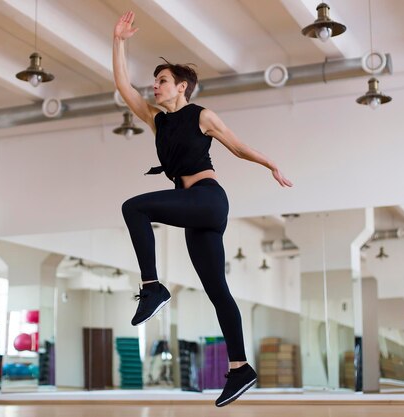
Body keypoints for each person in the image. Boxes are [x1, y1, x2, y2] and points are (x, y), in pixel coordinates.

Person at [113, 11, 292, 407]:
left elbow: (239, 146)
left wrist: (271, 165)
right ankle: (241, 367)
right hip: (197, 213)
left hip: (208, 199)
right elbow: (123, 86)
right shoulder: (157, 121)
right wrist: (119, 42)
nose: (154, 86)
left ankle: (152, 286)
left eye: (161, 81)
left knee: (133, 208)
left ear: (181, 87)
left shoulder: (201, 115)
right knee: (217, 291)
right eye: (155, 81)